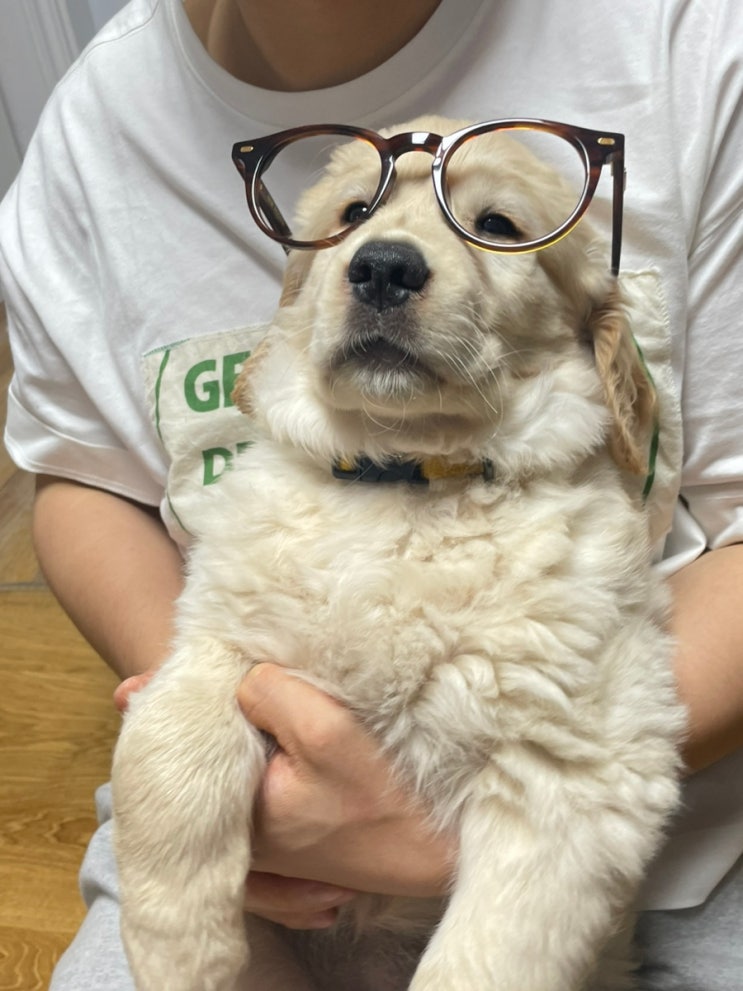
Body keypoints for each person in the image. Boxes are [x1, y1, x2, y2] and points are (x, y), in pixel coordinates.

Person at [1, 0, 742, 987]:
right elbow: (80, 474)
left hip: (668, 852)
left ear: (584, 331)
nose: (384, 256)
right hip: (268, 855)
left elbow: (588, 767)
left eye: (492, 223)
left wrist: (471, 819)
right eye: (352, 216)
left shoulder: (692, 42)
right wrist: (235, 756)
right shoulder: (94, 120)